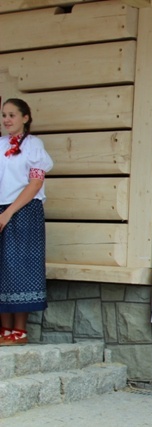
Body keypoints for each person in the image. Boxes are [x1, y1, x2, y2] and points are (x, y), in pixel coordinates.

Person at [0, 98, 53, 346]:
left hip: (23, 211)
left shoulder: (34, 146)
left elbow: (35, 183)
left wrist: (9, 212)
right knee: (2, 267)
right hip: (1, 209)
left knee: (19, 267)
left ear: (25, 118)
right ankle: (4, 328)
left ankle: (19, 331)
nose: (7, 120)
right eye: (4, 115)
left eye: (12, 115)